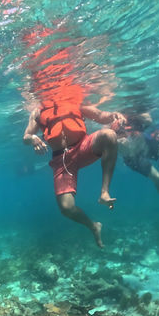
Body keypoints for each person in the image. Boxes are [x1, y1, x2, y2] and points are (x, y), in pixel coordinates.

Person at [22, 97, 125, 248]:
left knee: (109, 135)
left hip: (83, 147)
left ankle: (104, 192)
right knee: (66, 208)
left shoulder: (73, 100)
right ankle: (93, 226)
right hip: (62, 160)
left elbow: (100, 116)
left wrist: (113, 115)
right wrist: (32, 138)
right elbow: (25, 136)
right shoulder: (37, 112)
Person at [111, 113, 159, 195]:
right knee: (158, 178)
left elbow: (149, 120)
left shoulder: (134, 116)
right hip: (133, 157)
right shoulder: (114, 125)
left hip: (145, 143)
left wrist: (137, 117)